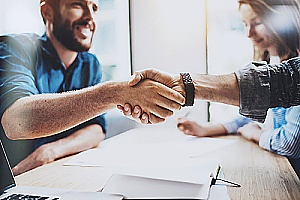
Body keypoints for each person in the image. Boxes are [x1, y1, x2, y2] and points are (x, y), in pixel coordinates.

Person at [0, 0, 185, 175]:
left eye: (94, 7)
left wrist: (50, 151)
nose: (90, 17)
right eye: (77, 5)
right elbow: (16, 121)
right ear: (47, 11)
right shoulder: (14, 48)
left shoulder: (90, 64)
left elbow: (96, 130)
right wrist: (115, 92)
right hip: (16, 179)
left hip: (57, 171)